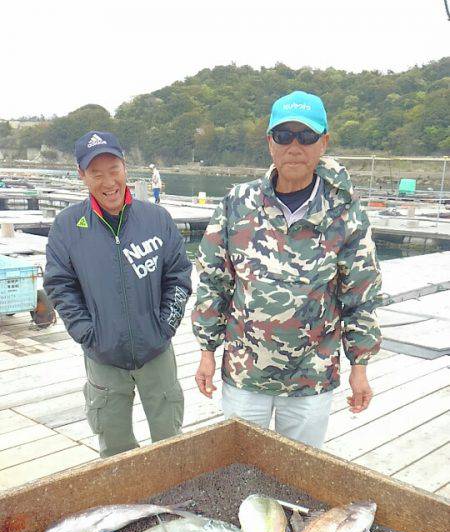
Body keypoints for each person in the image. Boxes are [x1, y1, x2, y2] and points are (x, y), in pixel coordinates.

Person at [192, 91, 382, 449]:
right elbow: (213, 282)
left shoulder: (347, 213)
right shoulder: (236, 203)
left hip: (311, 378)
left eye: (306, 136)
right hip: (244, 374)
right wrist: (206, 351)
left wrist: (360, 366)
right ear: (270, 143)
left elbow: (361, 295)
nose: (295, 146)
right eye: (284, 135)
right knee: (239, 466)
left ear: (323, 142)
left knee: (299, 476)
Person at [44, 130, 191, 458]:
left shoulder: (157, 219)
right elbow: (59, 285)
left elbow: (179, 276)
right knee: (114, 447)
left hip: (157, 351)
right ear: (82, 175)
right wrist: (87, 333)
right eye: (96, 173)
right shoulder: (67, 227)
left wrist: (166, 324)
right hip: (103, 356)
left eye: (114, 169)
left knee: (170, 441)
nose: (108, 181)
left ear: (126, 168)